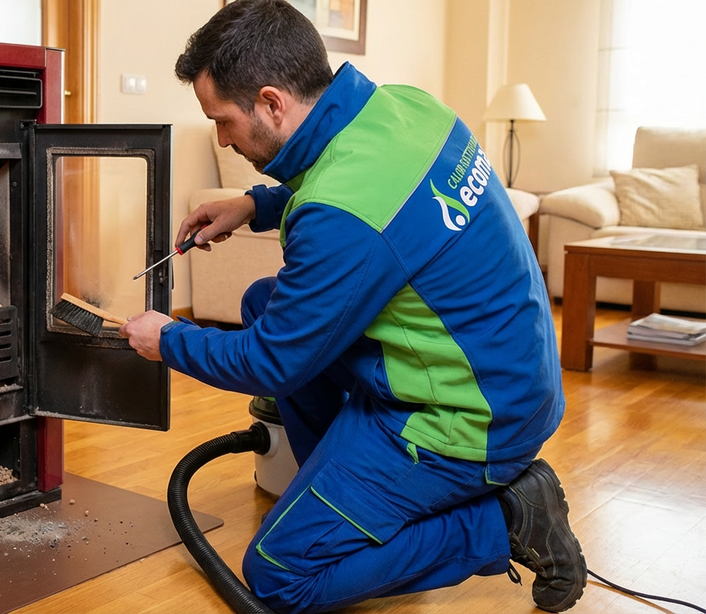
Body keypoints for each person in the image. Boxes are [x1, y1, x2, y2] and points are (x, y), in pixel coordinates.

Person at [118, 1, 587, 612]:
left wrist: (168, 339)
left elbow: (272, 362)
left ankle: (505, 519)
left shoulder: (341, 216)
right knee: (265, 300)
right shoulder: (404, 106)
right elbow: (377, 202)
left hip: (470, 418)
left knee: (279, 573)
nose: (222, 139)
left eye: (224, 120)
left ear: (271, 102)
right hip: (507, 371)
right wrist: (257, 204)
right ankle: (345, 492)